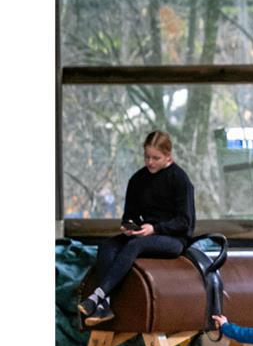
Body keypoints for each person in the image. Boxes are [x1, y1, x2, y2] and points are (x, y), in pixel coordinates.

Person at [78, 130, 195, 325]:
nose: (150, 162)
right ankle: (104, 306)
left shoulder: (180, 180)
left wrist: (155, 228)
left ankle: (96, 296)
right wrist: (129, 226)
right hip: (143, 233)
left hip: (174, 239)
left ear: (168, 156)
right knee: (107, 245)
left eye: (156, 158)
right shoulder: (137, 180)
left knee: (134, 246)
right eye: (147, 157)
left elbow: (186, 222)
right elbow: (129, 213)